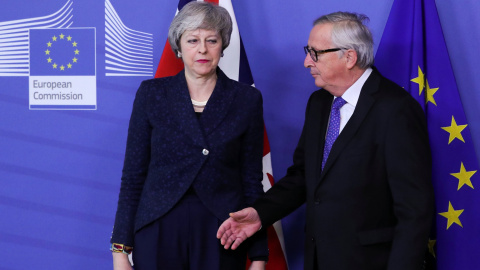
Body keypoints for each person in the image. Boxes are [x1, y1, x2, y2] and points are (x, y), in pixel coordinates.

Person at [217, 11, 434, 270]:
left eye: (315, 53)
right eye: (307, 51)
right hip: (319, 260)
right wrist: (260, 214)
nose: (306, 62)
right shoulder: (319, 103)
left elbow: (414, 211)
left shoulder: (396, 109)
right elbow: (303, 176)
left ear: (350, 57)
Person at [110, 2, 268, 270]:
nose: (202, 49)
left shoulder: (246, 99)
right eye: (193, 40)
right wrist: (120, 251)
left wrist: (259, 255)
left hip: (223, 231)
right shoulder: (152, 94)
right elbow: (133, 177)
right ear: (179, 47)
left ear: (223, 44)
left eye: (212, 40)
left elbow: (251, 180)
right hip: (158, 228)